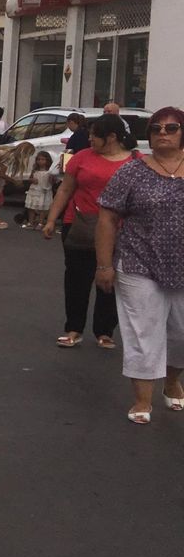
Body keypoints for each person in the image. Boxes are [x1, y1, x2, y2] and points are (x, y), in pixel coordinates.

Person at [95, 106, 184, 425]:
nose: (163, 133)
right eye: (156, 128)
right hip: (138, 261)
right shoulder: (132, 171)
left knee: (181, 334)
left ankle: (172, 379)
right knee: (143, 331)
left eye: (171, 128)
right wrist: (104, 265)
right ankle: (142, 400)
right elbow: (107, 218)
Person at [42, 113, 131, 349]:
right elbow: (64, 190)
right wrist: (51, 219)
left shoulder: (135, 161)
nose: (89, 139)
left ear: (111, 137)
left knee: (110, 278)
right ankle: (73, 328)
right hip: (79, 223)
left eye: (94, 135)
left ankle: (105, 331)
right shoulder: (81, 157)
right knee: (77, 278)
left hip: (119, 229)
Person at [23, 150, 55, 230]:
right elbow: (29, 178)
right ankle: (30, 222)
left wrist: (51, 179)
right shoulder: (34, 170)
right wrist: (32, 180)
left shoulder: (49, 172)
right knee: (31, 207)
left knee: (43, 208)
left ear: (47, 161)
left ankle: (41, 222)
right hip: (34, 190)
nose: (40, 161)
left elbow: (53, 182)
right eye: (39, 159)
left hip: (44, 190)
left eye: (43, 159)